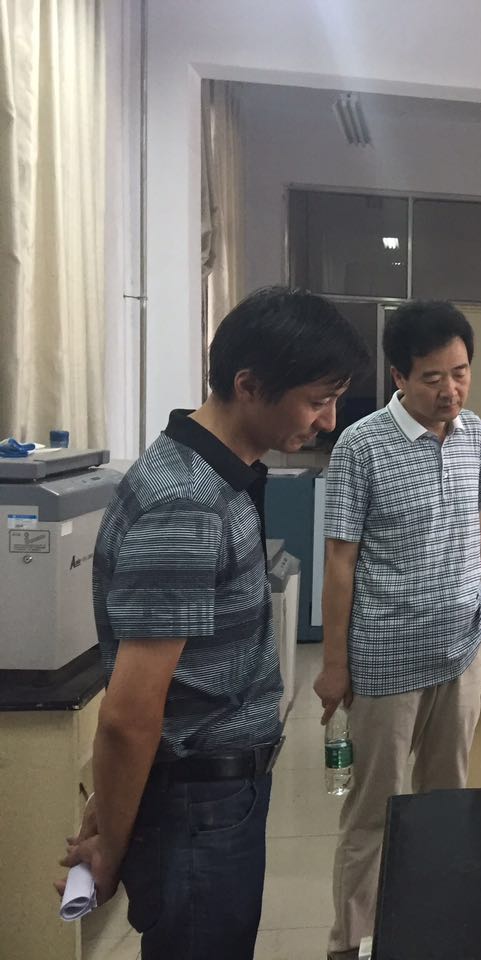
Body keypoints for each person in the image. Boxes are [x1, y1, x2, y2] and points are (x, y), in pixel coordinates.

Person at [58, 288, 369, 959]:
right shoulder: (188, 505)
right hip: (198, 807)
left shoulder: (216, 473)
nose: (328, 421)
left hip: (206, 794)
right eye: (317, 400)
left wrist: (112, 808)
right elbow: (130, 713)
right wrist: (110, 843)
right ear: (248, 386)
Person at [314, 300, 481, 960]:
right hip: (387, 654)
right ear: (399, 376)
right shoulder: (362, 445)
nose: (450, 390)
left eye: (461, 372)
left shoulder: (474, 434)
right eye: (432, 377)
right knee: (377, 811)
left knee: (446, 803)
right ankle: (351, 943)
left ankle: (433, 929)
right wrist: (334, 664)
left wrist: (480, 582)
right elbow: (340, 559)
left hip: (462, 649)